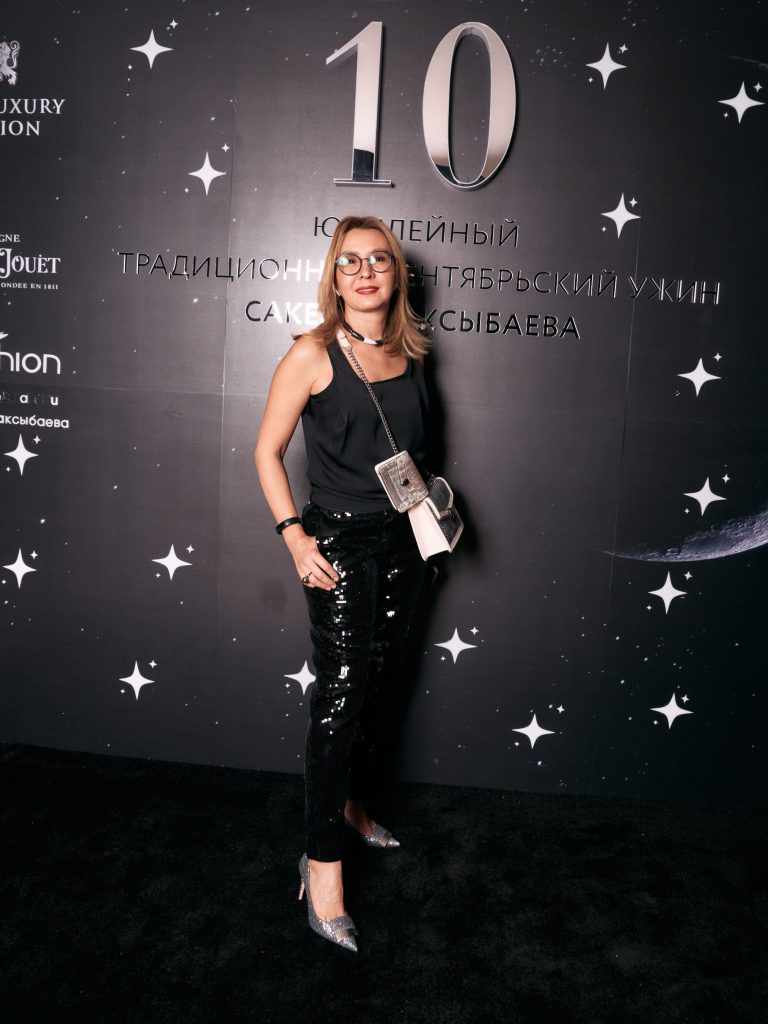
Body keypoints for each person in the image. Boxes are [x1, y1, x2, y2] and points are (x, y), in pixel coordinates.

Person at [254, 215, 431, 952]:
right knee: (341, 697)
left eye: (378, 260)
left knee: (380, 684)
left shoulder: (409, 351)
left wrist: (431, 514)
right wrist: (294, 537)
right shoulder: (312, 353)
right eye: (349, 261)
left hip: (406, 540)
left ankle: (353, 807)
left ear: (397, 274)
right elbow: (266, 452)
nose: (364, 273)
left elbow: (410, 452)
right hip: (339, 544)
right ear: (334, 275)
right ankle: (322, 866)